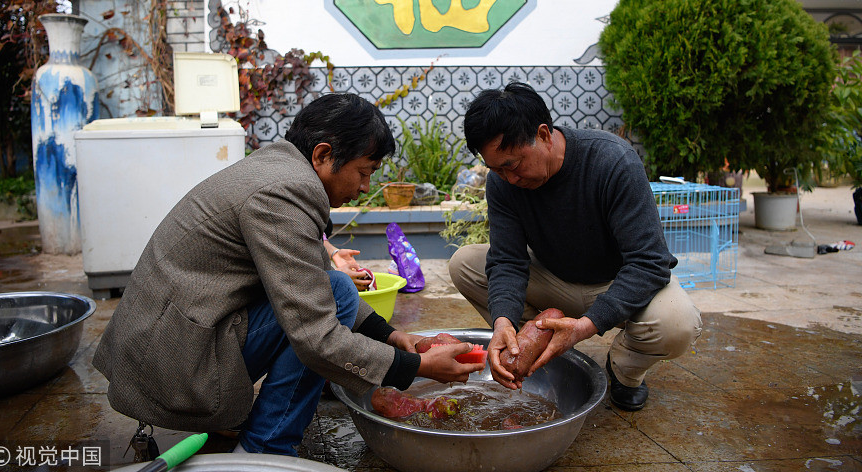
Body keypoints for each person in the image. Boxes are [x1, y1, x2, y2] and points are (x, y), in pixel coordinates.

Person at [94, 93, 484, 455]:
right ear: (323, 155)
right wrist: (414, 369)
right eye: (364, 172)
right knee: (329, 308)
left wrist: (395, 338)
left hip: (173, 341)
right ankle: (264, 449)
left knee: (337, 290)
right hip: (173, 364)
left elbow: (310, 277)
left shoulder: (280, 171)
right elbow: (316, 336)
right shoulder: (282, 194)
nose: (365, 187)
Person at [448, 82, 702, 411]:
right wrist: (503, 323)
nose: (509, 178)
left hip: (617, 279)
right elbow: (508, 260)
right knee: (464, 263)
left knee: (677, 323)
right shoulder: (503, 181)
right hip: (555, 278)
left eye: (513, 164)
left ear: (543, 134)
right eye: (496, 169)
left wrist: (586, 326)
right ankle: (534, 348)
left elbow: (648, 263)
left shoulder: (613, 162)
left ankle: (624, 369)